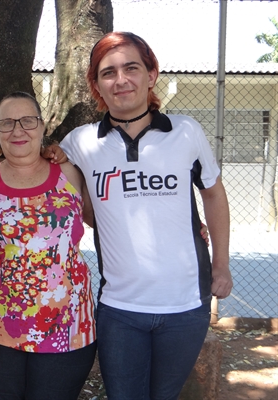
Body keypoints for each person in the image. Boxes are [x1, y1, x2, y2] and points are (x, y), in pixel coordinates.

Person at [59, 32, 233, 400]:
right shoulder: (80, 142)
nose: (120, 80)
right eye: (108, 73)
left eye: (131, 68)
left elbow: (214, 195)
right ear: (96, 85)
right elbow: (34, 171)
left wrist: (221, 265)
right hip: (119, 310)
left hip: (186, 306)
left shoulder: (186, 132)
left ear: (151, 75)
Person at [0, 91, 97, 400]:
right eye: (7, 123)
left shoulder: (71, 174)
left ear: (41, 126)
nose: (18, 130)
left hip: (68, 323)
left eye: (27, 120)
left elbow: (108, 220)